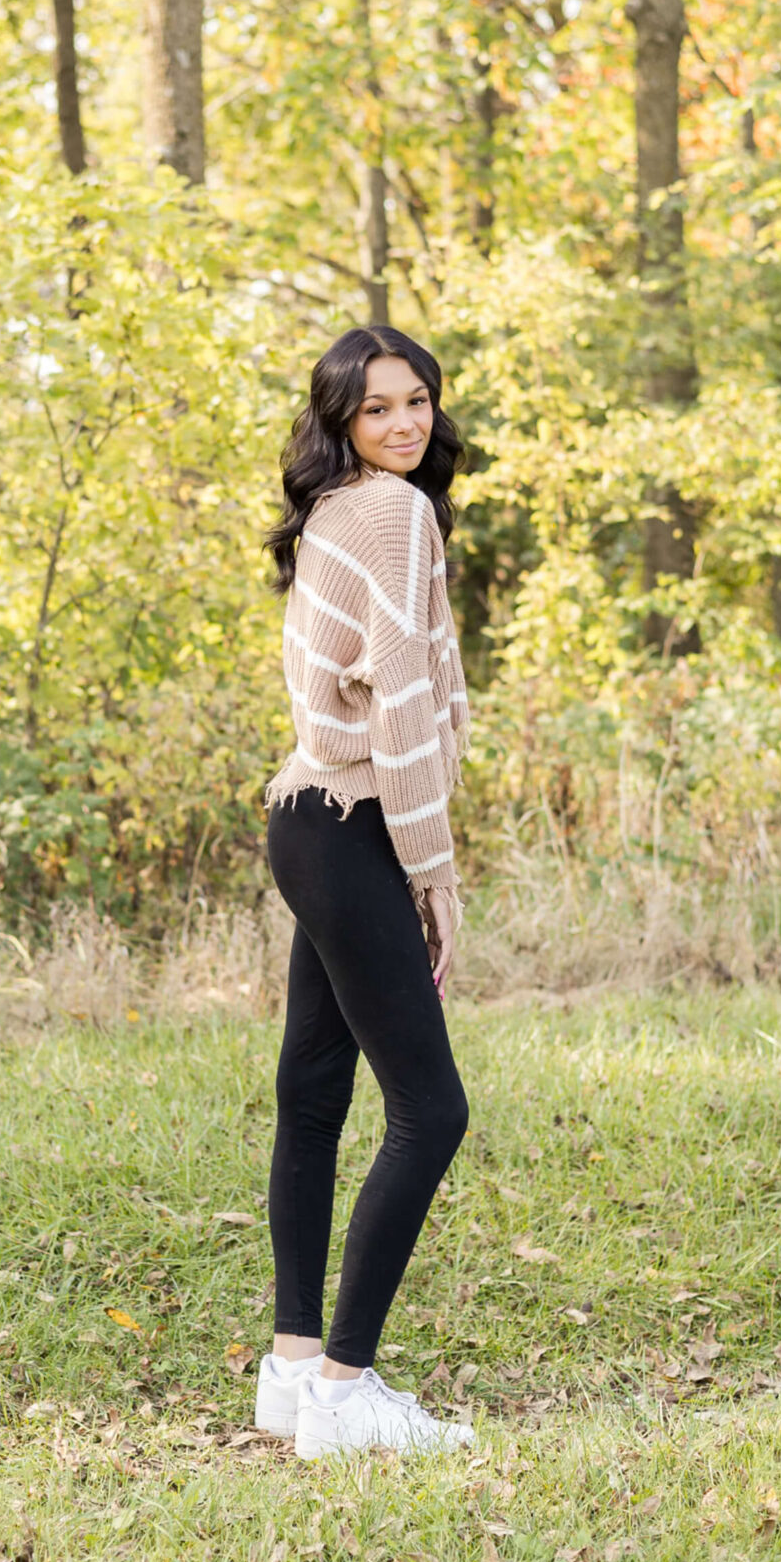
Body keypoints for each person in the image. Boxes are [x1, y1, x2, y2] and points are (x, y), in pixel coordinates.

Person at [253, 325, 475, 1459]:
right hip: (357, 822)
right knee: (432, 1110)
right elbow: (398, 705)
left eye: (419, 402)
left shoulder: (337, 509)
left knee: (315, 1092)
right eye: (379, 406)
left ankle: (294, 1373)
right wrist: (432, 871)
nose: (404, 423)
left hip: (304, 817)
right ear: (340, 415)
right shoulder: (395, 513)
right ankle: (347, 1388)